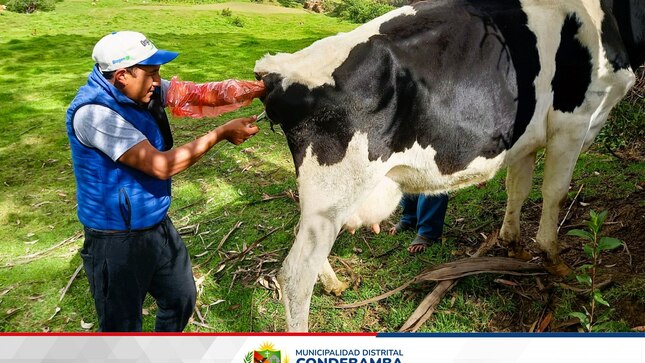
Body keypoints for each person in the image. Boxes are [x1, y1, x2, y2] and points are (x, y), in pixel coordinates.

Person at [66, 31, 261, 332]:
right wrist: (220, 134)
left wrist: (257, 89)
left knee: (181, 297)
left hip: (155, 223)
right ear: (121, 76)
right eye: (152, 73)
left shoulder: (141, 89)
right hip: (116, 240)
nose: (159, 82)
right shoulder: (95, 115)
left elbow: (197, 95)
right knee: (122, 327)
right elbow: (161, 166)